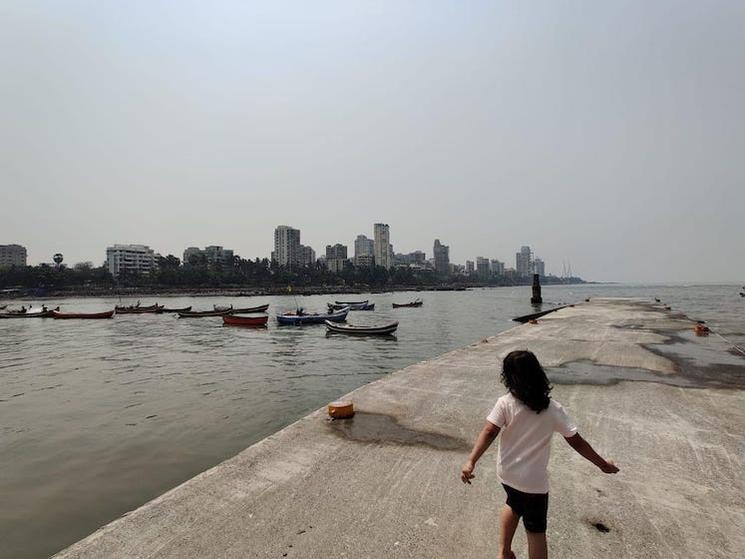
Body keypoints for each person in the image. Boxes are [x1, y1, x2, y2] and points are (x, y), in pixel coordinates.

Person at [460, 350, 619, 559]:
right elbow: (577, 442)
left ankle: (504, 553)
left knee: (513, 503)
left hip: (508, 474)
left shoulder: (505, 403)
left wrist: (471, 461)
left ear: (508, 378)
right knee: (535, 531)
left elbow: (489, 431)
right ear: (538, 374)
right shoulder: (553, 409)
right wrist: (602, 464)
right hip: (534, 483)